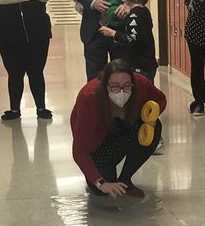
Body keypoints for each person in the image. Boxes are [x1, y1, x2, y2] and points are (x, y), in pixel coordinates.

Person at [70, 59, 167, 200]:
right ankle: (104, 175)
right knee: (101, 191)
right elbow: (79, 150)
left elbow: (160, 99)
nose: (121, 91)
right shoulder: (90, 98)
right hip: (99, 139)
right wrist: (101, 183)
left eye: (127, 86)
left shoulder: (141, 84)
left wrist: (152, 118)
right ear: (105, 85)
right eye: (115, 87)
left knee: (155, 127)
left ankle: (125, 178)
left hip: (127, 127)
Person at [0, 0, 53, 120]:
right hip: (9, 38)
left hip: (37, 37)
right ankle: (15, 109)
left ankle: (41, 108)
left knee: (36, 72)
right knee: (15, 73)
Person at [99, 0, 158, 79]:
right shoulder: (144, 10)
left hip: (141, 66)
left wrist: (113, 33)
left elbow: (131, 39)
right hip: (148, 63)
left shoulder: (134, 16)